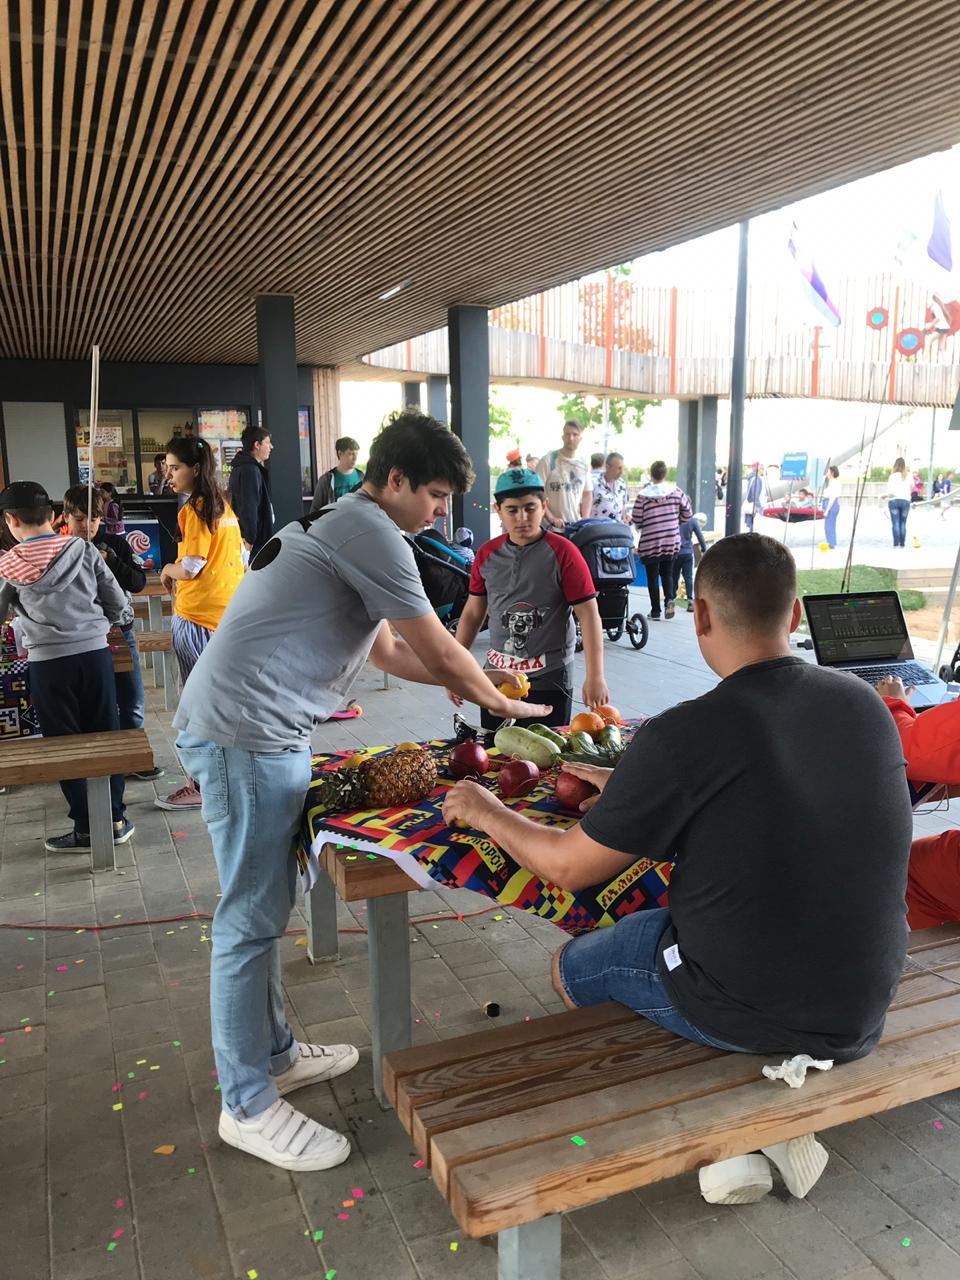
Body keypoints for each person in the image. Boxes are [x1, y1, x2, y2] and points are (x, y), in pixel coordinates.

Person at [443, 533, 912, 1206]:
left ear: (700, 615)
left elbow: (566, 868)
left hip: (755, 1003)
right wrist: (637, 790)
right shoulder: (863, 705)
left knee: (576, 966)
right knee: (668, 926)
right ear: (795, 614)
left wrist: (485, 809)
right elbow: (774, 802)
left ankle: (729, 1128)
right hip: (862, 1001)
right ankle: (767, 1119)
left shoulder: (687, 731)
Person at [169, 409, 552, 1173]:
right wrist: (500, 701)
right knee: (248, 921)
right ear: (397, 479)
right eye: (435, 496)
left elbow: (389, 650)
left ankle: (274, 1055)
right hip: (246, 735)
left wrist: (473, 678)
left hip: (261, 732)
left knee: (263, 907)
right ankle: (246, 1103)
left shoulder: (348, 523)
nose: (439, 513)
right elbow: (437, 646)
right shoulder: (372, 532)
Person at [0, 481, 136, 851]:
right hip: (94, 656)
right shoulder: (83, 550)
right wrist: (100, 625)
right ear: (53, 515)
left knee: (64, 744)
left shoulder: (9, 564)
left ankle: (87, 827)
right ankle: (115, 819)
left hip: (48, 665)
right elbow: (116, 602)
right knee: (105, 733)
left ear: (12, 520)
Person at [450, 467, 609, 729]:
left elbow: (589, 614)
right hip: (496, 676)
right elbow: (473, 613)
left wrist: (596, 676)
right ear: (498, 510)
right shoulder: (486, 554)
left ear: (544, 506)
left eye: (530, 508)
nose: (522, 518)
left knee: (548, 748)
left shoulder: (564, 552)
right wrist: (455, 670)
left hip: (549, 675)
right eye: (512, 510)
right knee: (495, 745)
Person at [155, 437, 244, 812]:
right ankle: (224, 777)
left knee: (197, 705)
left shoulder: (195, 509)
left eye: (175, 467)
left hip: (195, 618)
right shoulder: (223, 506)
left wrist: (166, 569)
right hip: (224, 617)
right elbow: (242, 556)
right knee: (218, 700)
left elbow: (191, 567)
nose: (168, 474)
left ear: (195, 469)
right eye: (168, 467)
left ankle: (202, 785)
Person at [60, 486, 162, 781]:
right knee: (89, 704)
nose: (87, 526)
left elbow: (138, 582)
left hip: (120, 630)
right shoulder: (60, 549)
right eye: (79, 519)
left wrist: (110, 560)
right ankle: (95, 761)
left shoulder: (114, 543)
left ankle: (133, 758)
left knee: (132, 698)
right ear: (65, 517)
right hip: (80, 638)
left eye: (93, 519)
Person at [631, 461, 692, 620]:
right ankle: (669, 600)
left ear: (651, 475)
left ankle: (655, 611)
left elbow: (636, 518)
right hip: (671, 539)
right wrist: (675, 521)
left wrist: (647, 522)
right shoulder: (676, 492)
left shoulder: (643, 496)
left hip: (651, 541)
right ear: (665, 474)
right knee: (668, 573)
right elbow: (688, 513)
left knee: (652, 576)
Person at [228, 425, 275, 559]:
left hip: (247, 537)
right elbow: (249, 506)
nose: (271, 447)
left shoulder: (242, 467)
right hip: (254, 542)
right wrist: (250, 540)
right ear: (257, 445)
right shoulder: (250, 470)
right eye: (267, 442)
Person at [535, 420, 593, 527]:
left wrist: (585, 518)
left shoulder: (584, 464)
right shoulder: (548, 461)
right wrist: (551, 517)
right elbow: (537, 492)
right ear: (562, 437)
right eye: (567, 434)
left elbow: (587, 493)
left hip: (575, 525)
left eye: (575, 435)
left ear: (580, 438)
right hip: (551, 526)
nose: (571, 438)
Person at [310, 436, 364, 511]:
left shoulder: (362, 477)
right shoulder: (326, 480)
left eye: (356, 454)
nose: (355, 458)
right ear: (340, 453)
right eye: (351, 454)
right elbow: (315, 510)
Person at [672, 512, 706, 610]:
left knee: (674, 576)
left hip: (676, 552)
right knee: (688, 577)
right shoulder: (692, 521)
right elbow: (700, 536)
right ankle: (690, 600)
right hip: (687, 553)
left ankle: (672, 599)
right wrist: (704, 548)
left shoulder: (674, 519)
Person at [591, 452, 630, 522]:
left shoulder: (622, 484)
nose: (622, 472)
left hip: (618, 526)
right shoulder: (593, 483)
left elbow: (624, 504)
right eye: (619, 468)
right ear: (607, 467)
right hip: (598, 527)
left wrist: (626, 515)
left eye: (622, 468)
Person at [885, 457, 911, 547]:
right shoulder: (909, 475)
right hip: (906, 501)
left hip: (894, 500)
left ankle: (896, 543)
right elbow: (912, 486)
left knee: (895, 522)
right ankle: (902, 543)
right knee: (903, 523)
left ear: (895, 465)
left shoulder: (892, 476)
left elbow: (889, 491)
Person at [743, 464, 767, 532]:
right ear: (759, 469)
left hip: (754, 504)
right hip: (756, 505)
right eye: (762, 468)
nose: (763, 470)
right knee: (755, 525)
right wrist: (757, 505)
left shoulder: (753, 478)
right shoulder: (757, 479)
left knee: (753, 525)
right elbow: (755, 493)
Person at [822, 465, 841, 548]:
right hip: (828, 503)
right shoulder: (830, 482)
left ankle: (831, 543)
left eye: (828, 471)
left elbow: (832, 498)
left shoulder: (834, 483)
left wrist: (827, 510)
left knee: (829, 526)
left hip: (831, 504)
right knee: (828, 525)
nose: (826, 473)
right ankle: (831, 542)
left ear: (832, 473)